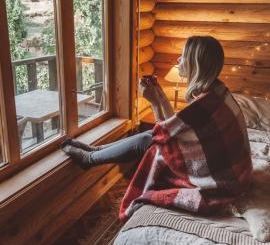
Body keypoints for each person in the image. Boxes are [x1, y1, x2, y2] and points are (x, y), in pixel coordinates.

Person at [61, 36, 253, 222]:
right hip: (235, 173)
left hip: (224, 182)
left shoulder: (205, 105)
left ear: (195, 64)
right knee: (148, 138)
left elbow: (164, 135)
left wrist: (153, 101)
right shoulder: (217, 91)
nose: (178, 59)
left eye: (183, 56)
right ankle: (94, 152)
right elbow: (173, 127)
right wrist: (160, 96)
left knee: (148, 140)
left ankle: (89, 158)